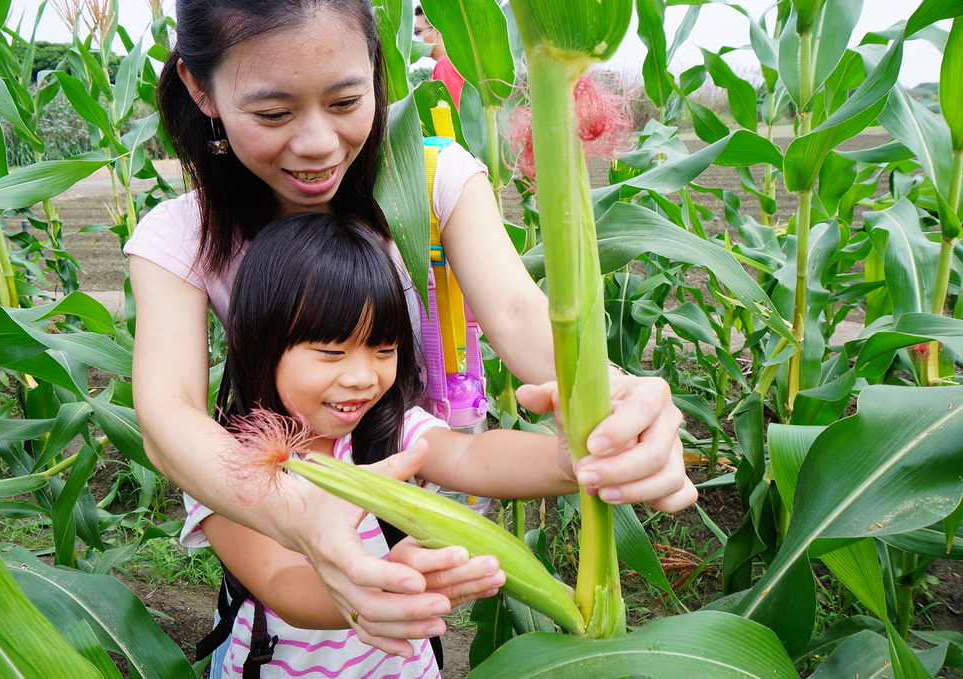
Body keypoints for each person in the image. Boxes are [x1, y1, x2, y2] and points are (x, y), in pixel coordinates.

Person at [126, 0, 696, 659]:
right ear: (201, 89)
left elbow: (517, 316)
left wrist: (618, 410)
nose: (317, 143)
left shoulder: (433, 177)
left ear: (375, 66)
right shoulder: (179, 236)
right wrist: (296, 511)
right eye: (274, 113)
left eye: (346, 100)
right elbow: (167, 416)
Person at [186, 211, 594, 678]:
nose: (363, 378)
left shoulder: (382, 431)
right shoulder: (222, 459)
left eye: (384, 350)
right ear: (254, 340)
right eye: (332, 352)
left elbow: (469, 455)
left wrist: (567, 461)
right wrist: (380, 588)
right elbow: (281, 582)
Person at [414, 6, 466, 108]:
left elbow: (451, 113)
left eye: (418, 31)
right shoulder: (459, 60)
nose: (415, 38)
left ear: (437, 31)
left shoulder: (445, 64)